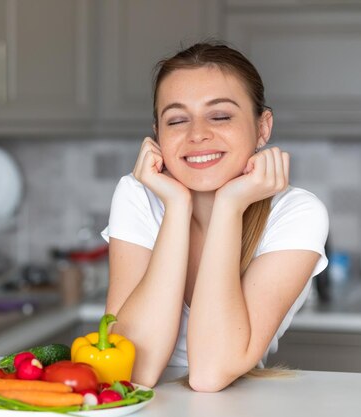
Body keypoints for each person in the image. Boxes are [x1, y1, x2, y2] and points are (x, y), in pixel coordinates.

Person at [101, 41, 329, 392]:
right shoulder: (138, 195)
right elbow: (131, 370)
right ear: (157, 135)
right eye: (176, 120)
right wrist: (177, 207)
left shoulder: (296, 213)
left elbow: (211, 372)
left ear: (263, 127)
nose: (197, 134)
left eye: (220, 115)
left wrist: (229, 206)